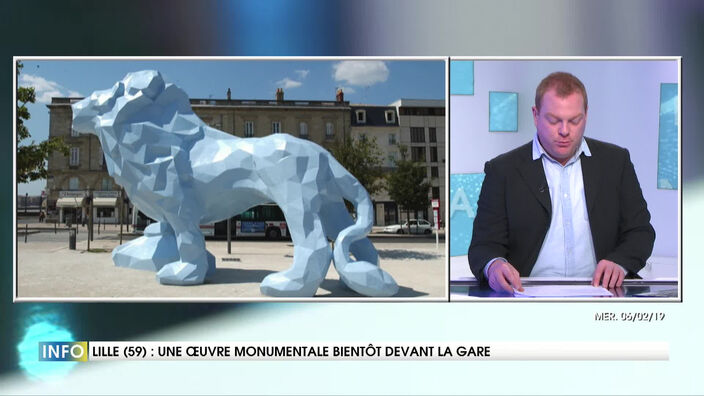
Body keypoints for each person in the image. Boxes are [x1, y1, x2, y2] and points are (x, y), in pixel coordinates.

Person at [468, 72, 655, 294]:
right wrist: (494, 266)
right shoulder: (502, 170)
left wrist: (620, 262)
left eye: (574, 120)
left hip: (602, 294)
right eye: (554, 120)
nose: (565, 131)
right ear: (536, 115)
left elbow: (641, 232)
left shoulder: (616, 162)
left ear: (586, 115)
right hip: (529, 298)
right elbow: (484, 246)